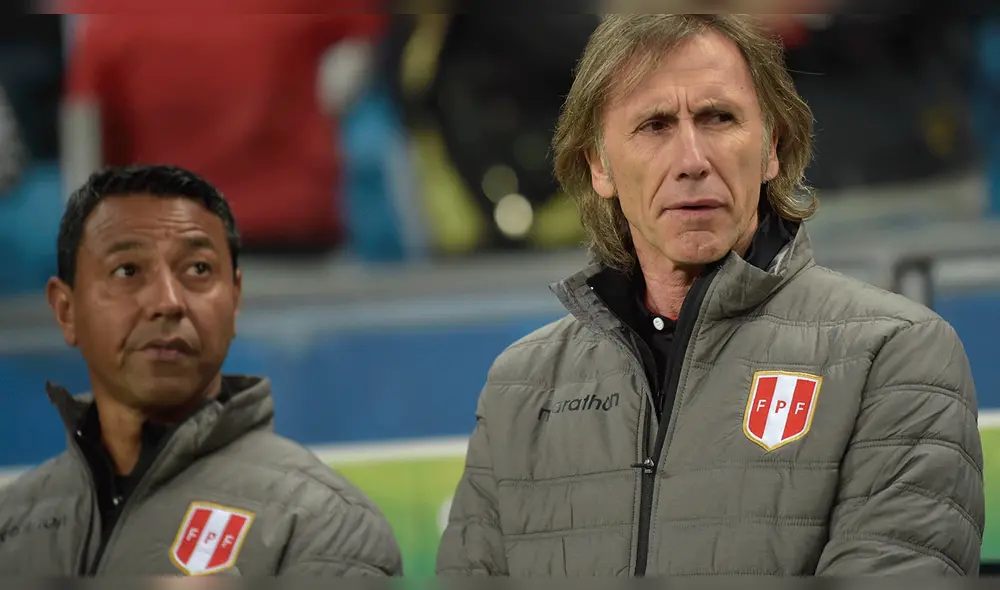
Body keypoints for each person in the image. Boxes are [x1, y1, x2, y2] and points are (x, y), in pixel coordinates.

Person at [437, 14, 984, 577]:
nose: (691, 161)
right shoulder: (520, 389)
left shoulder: (894, 356)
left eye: (718, 118)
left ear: (771, 148)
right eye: (654, 125)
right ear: (600, 164)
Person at [0, 165, 403, 576]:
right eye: (127, 271)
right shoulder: (10, 522)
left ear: (235, 299)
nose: (167, 301)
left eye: (198, 269)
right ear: (66, 311)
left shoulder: (322, 525)